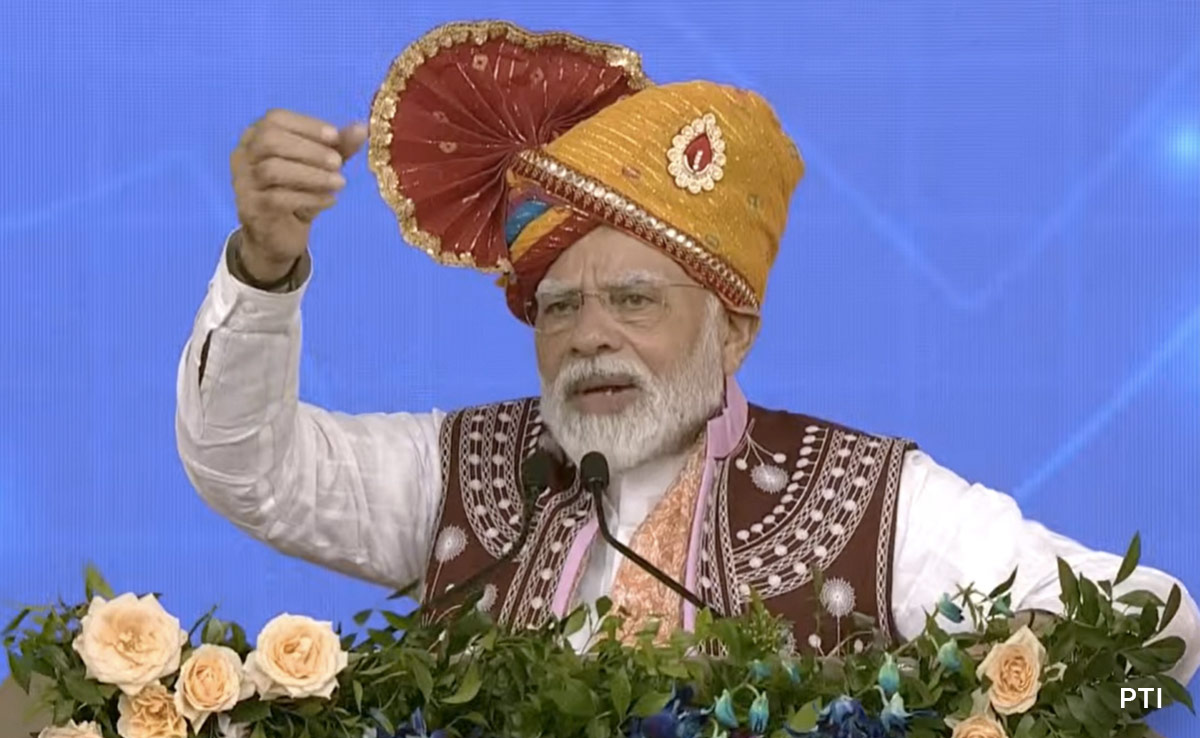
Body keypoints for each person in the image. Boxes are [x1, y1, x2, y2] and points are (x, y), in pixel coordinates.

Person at [175, 20, 1200, 681]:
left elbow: (1157, 635)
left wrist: (955, 712)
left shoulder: (872, 503)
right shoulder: (466, 476)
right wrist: (266, 264)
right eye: (558, 308)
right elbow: (248, 467)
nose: (589, 336)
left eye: (634, 300)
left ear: (734, 330)